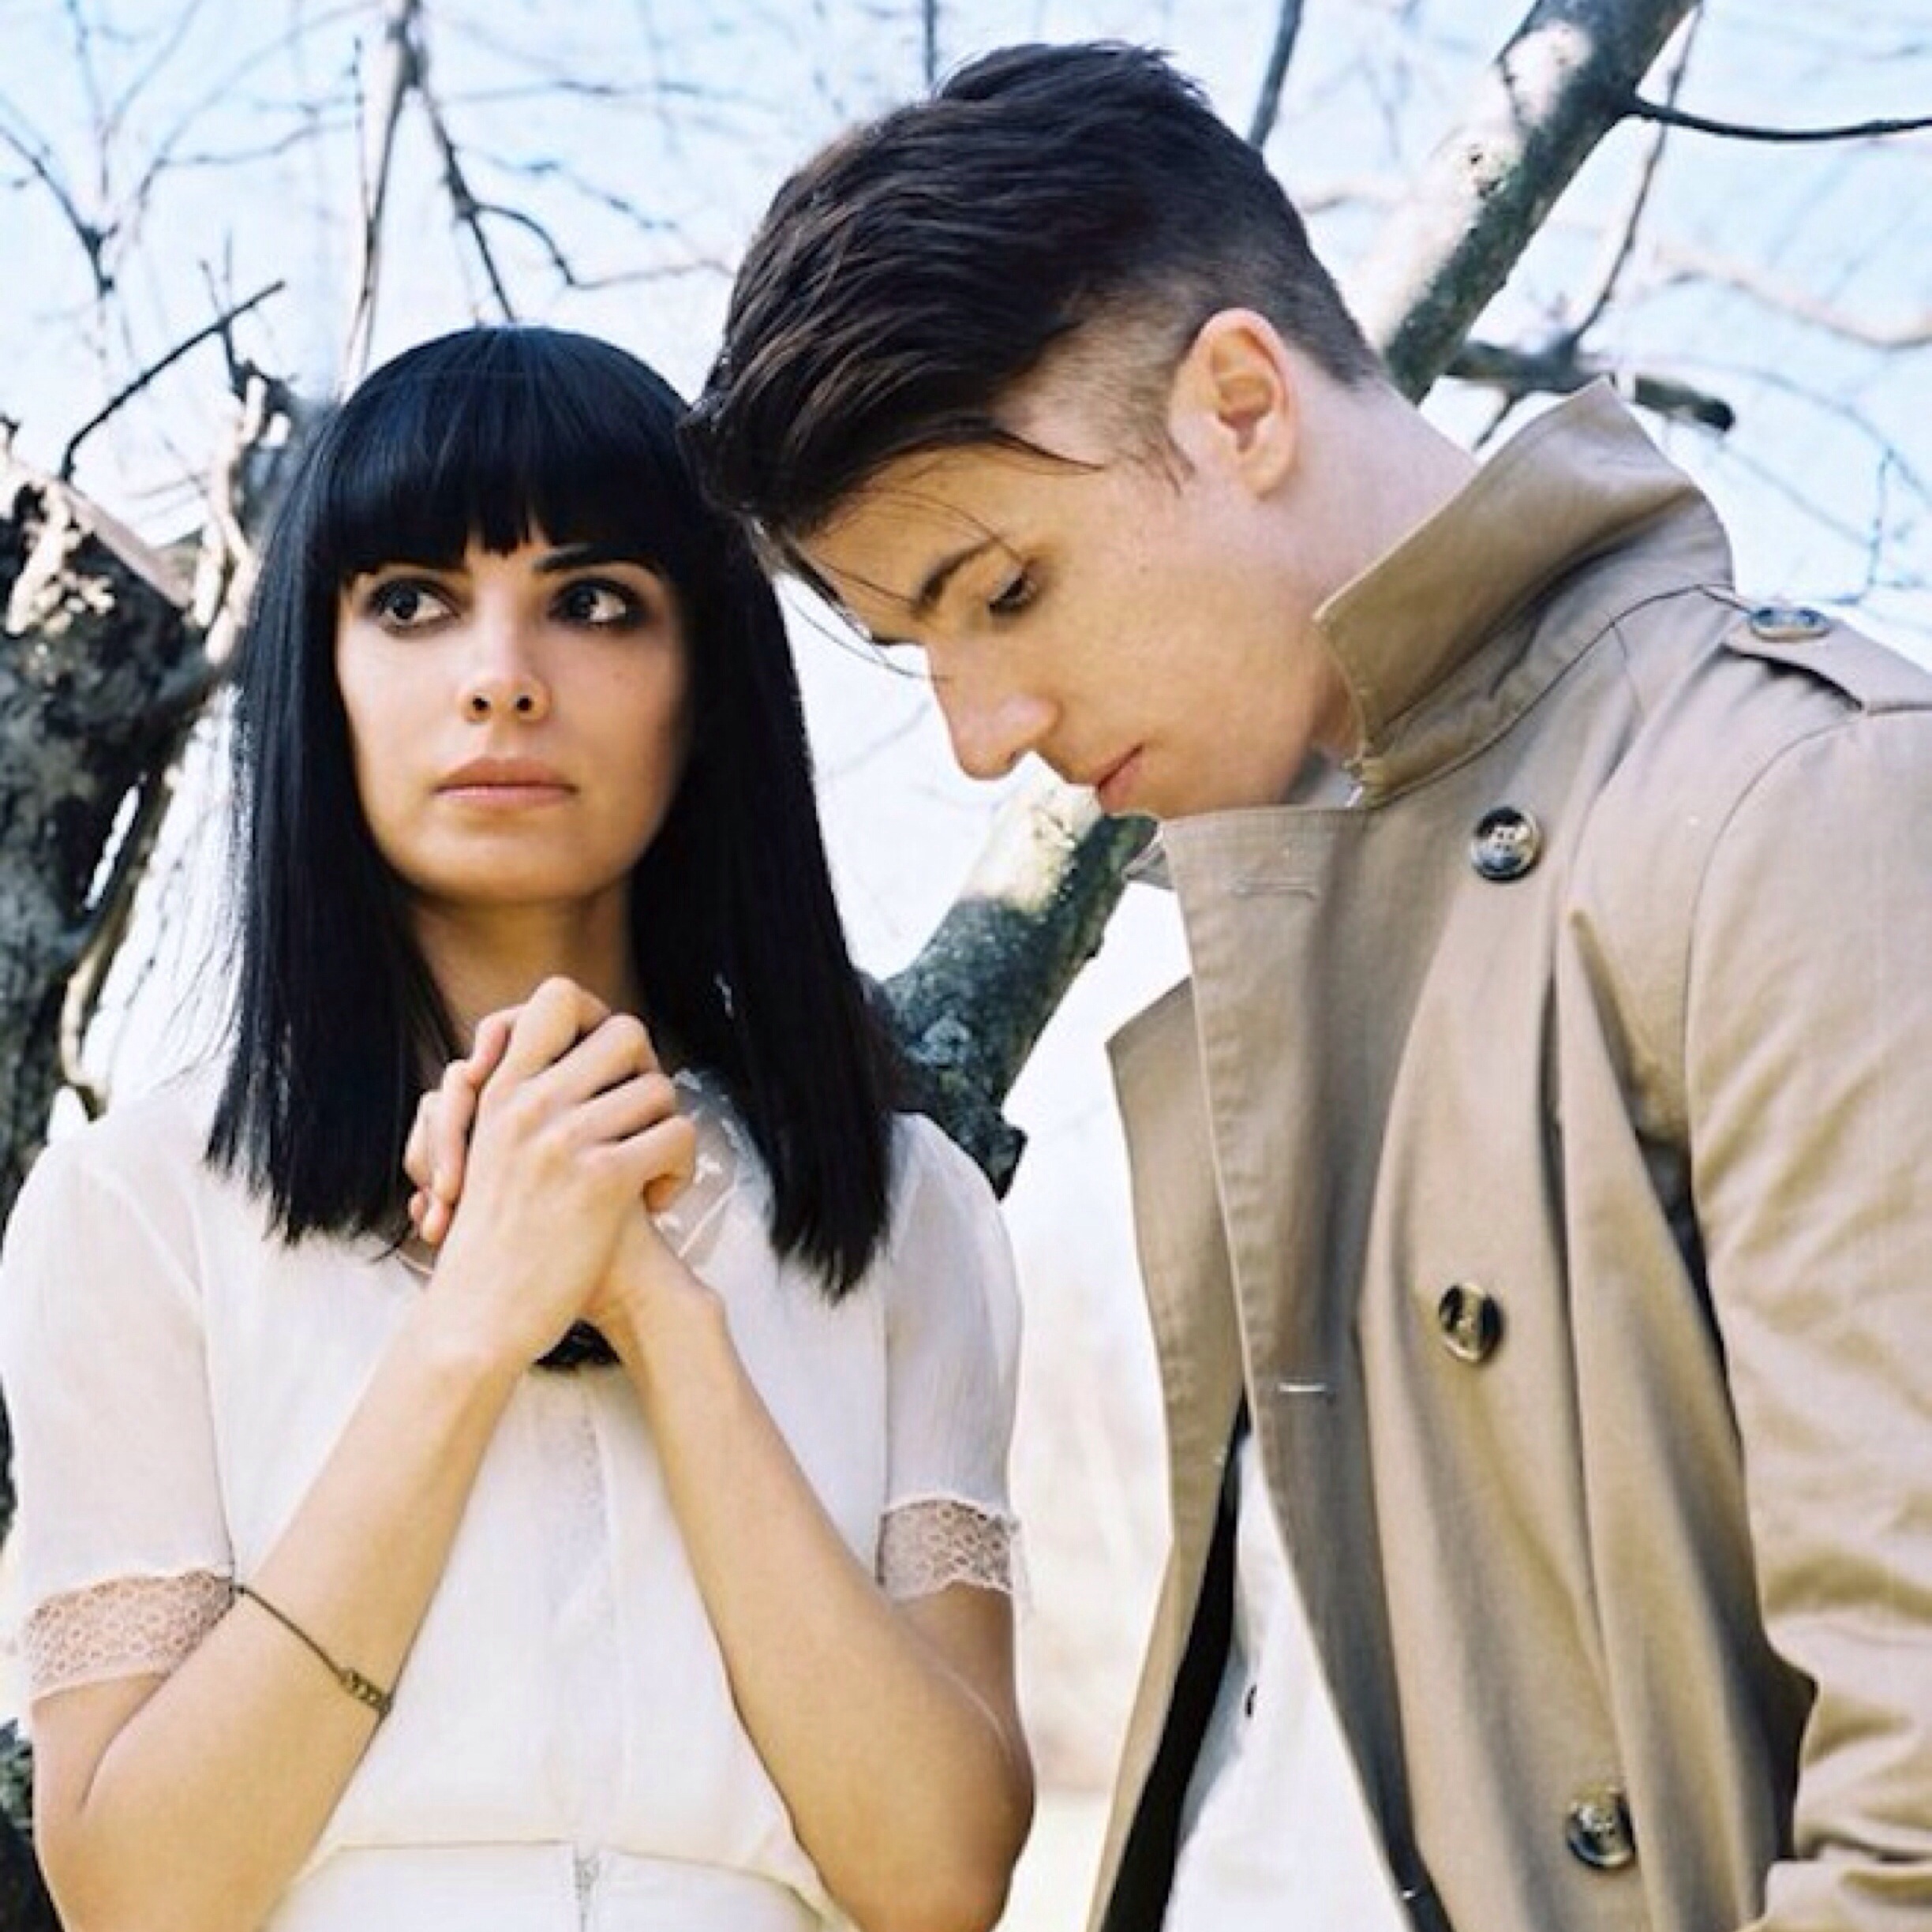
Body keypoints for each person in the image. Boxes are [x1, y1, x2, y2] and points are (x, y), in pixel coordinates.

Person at [675, 39, 1932, 1932]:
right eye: (909, 646)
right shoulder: (1284, 921)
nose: (979, 732)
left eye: (1004, 590)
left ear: (1242, 399)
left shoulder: (1787, 798)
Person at [0, 324, 1033, 1932]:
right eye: (411, 601)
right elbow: (140, 1892)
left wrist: (664, 1320)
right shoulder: (134, 1209)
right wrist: (473, 1325)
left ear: (709, 684)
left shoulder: (902, 1209)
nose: (502, 674)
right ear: (317, 678)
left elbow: (939, 1878)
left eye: (596, 600)